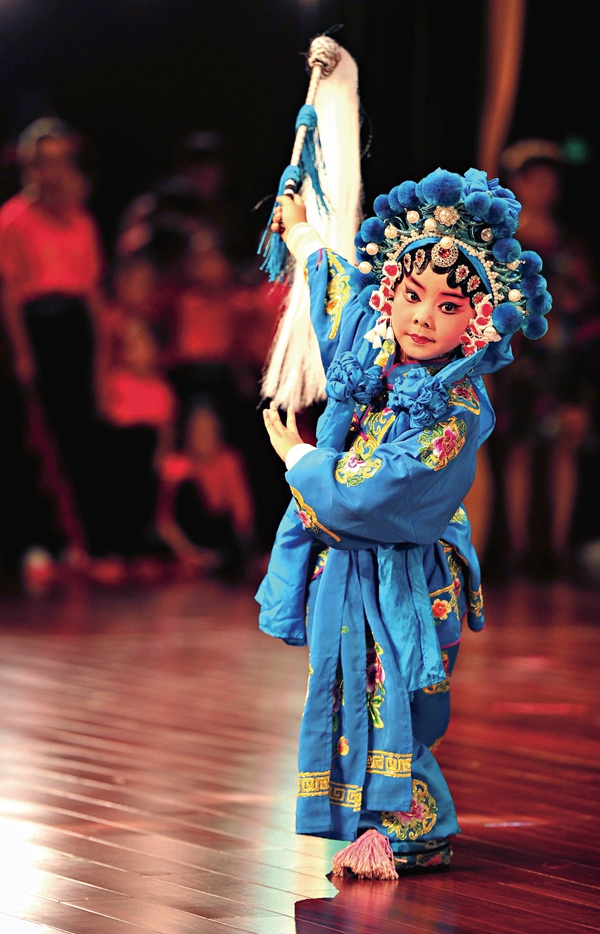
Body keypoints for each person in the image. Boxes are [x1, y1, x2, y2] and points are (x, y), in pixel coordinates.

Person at [257, 168, 551, 878]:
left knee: (401, 693)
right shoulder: (376, 340)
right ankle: (375, 822)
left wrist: (297, 454)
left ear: (477, 321)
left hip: (409, 575)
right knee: (353, 685)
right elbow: (337, 291)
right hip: (353, 566)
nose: (421, 317)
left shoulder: (457, 411)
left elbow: (372, 493)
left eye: (448, 305)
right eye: (411, 295)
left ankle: (411, 826)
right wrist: (297, 228)